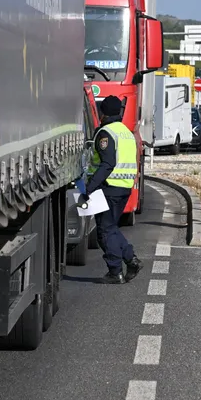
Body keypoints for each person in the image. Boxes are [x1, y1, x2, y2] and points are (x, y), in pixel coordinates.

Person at [78, 95, 143, 284]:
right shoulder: (126, 132)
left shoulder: (106, 133)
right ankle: (131, 260)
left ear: (103, 112)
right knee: (111, 227)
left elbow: (107, 164)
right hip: (124, 188)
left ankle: (116, 271)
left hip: (109, 188)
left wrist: (88, 189)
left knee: (105, 231)